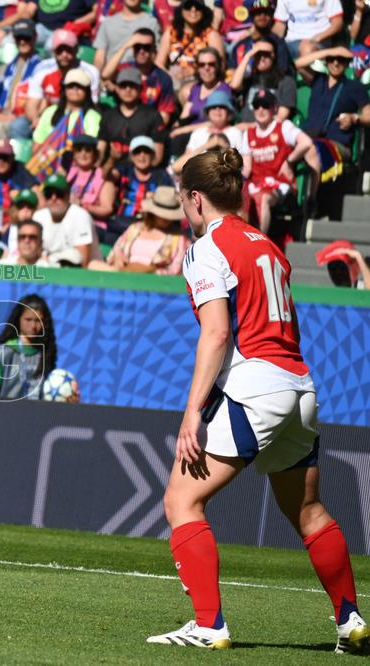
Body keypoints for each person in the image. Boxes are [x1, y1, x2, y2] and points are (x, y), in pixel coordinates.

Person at [147, 147, 368, 654]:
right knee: (309, 510)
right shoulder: (267, 244)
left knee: (182, 500)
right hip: (299, 387)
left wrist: (191, 415)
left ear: (195, 198)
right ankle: (351, 622)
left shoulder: (207, 247)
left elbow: (218, 334)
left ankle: (208, 626)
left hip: (256, 388)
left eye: (183, 199)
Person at [241, 90, 320, 234]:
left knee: (263, 198)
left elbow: (307, 142)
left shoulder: (283, 127)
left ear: (274, 108)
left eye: (266, 105)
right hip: (256, 183)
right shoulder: (248, 134)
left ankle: (259, 241)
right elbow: (246, 168)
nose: (261, 109)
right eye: (257, 105)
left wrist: (288, 161)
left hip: (280, 184)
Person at [90, 185, 189, 274]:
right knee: (93, 265)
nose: (164, 218)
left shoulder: (180, 239)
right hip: (124, 274)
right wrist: (117, 258)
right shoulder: (134, 229)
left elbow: (175, 271)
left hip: (154, 282)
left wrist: (147, 270)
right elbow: (116, 251)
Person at [0, 294, 57, 399]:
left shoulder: (46, 355)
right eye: (28, 319)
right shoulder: (1, 355)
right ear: (18, 319)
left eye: (38, 321)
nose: (33, 326)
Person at [0, 19, 44, 141]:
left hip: (22, 119)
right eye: (18, 38)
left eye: (26, 38)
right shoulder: (4, 69)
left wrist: (12, 118)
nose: (22, 42)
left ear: (35, 37)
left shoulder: (42, 68)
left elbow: (42, 104)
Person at [108, 135, 174, 243]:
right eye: (137, 152)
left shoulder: (161, 176)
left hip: (149, 226)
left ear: (153, 155)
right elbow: (107, 176)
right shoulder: (124, 171)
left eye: (146, 152)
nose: (142, 156)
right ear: (131, 156)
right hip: (120, 225)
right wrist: (112, 158)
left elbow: (169, 202)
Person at [102, 28, 175, 125]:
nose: (141, 51)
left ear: (153, 49)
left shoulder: (163, 78)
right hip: (120, 123)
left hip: (148, 126)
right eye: (137, 47)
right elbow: (105, 75)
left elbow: (164, 115)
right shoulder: (124, 69)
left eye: (146, 47)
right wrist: (126, 46)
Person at [97, 67, 165, 170]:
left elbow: (157, 158)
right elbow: (100, 152)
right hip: (112, 170)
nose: (128, 89)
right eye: (123, 85)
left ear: (140, 89)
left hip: (143, 174)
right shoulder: (108, 116)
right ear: (117, 89)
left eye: (132, 85)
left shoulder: (153, 116)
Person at [26, 29, 101, 118]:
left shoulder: (90, 72)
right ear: (53, 51)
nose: (64, 54)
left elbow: (92, 106)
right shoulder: (42, 68)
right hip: (46, 117)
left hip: (79, 117)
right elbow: (31, 104)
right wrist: (36, 121)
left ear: (76, 49)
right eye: (59, 50)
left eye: (68, 49)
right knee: (19, 125)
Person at [33, 173, 100, 267]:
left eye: (59, 194)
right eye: (48, 194)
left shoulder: (80, 216)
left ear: (68, 195)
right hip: (48, 268)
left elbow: (82, 261)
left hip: (80, 273)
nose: (53, 198)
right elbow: (32, 252)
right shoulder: (38, 216)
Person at [156, 0, 224, 90]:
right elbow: (158, 63)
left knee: (188, 91)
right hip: (173, 81)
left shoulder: (211, 35)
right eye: (188, 6)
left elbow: (220, 66)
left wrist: (194, 71)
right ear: (181, 10)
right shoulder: (170, 33)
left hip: (200, 82)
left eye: (198, 7)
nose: (193, 9)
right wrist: (170, 76)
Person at [230, 39, 297, 122]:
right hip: (245, 130)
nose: (262, 58)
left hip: (269, 131)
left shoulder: (286, 81)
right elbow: (234, 85)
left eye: (266, 54)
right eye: (258, 54)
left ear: (274, 56)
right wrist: (248, 55)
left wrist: (252, 127)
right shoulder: (248, 79)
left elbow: (281, 117)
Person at [66, 135, 116, 232]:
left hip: (92, 225)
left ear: (95, 154)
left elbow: (107, 209)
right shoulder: (69, 172)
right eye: (79, 150)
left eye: (88, 150)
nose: (83, 154)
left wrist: (82, 206)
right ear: (74, 154)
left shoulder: (102, 176)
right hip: (68, 220)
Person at [229, 0, 294, 74]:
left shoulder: (279, 44)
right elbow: (232, 71)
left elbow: (283, 69)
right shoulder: (242, 45)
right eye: (258, 13)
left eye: (266, 13)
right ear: (252, 16)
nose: (262, 16)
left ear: (272, 16)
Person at [93, 0, 160, 71]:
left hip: (140, 76)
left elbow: (155, 57)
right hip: (111, 75)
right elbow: (99, 58)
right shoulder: (107, 23)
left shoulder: (151, 23)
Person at [0, 139, 36, 229]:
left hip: (16, 224)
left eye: (4, 157)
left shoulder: (21, 171)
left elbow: (37, 195)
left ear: (12, 157)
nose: (0, 161)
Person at [273, 0, 343, 58]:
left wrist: (318, 38)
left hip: (319, 42)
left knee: (306, 48)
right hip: (291, 42)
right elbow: (280, 25)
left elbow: (338, 23)